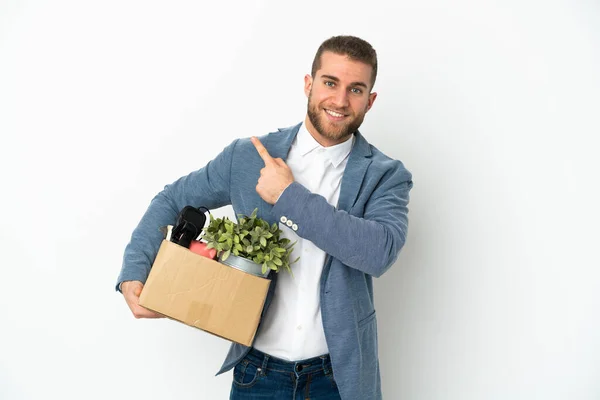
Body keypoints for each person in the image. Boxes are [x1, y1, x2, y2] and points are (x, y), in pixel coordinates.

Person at [116, 35, 413, 400]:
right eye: (330, 83)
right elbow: (172, 199)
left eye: (355, 89)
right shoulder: (248, 156)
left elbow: (378, 252)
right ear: (309, 83)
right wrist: (134, 271)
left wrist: (288, 197)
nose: (339, 100)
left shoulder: (386, 175)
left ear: (370, 100)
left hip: (339, 379)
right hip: (258, 374)